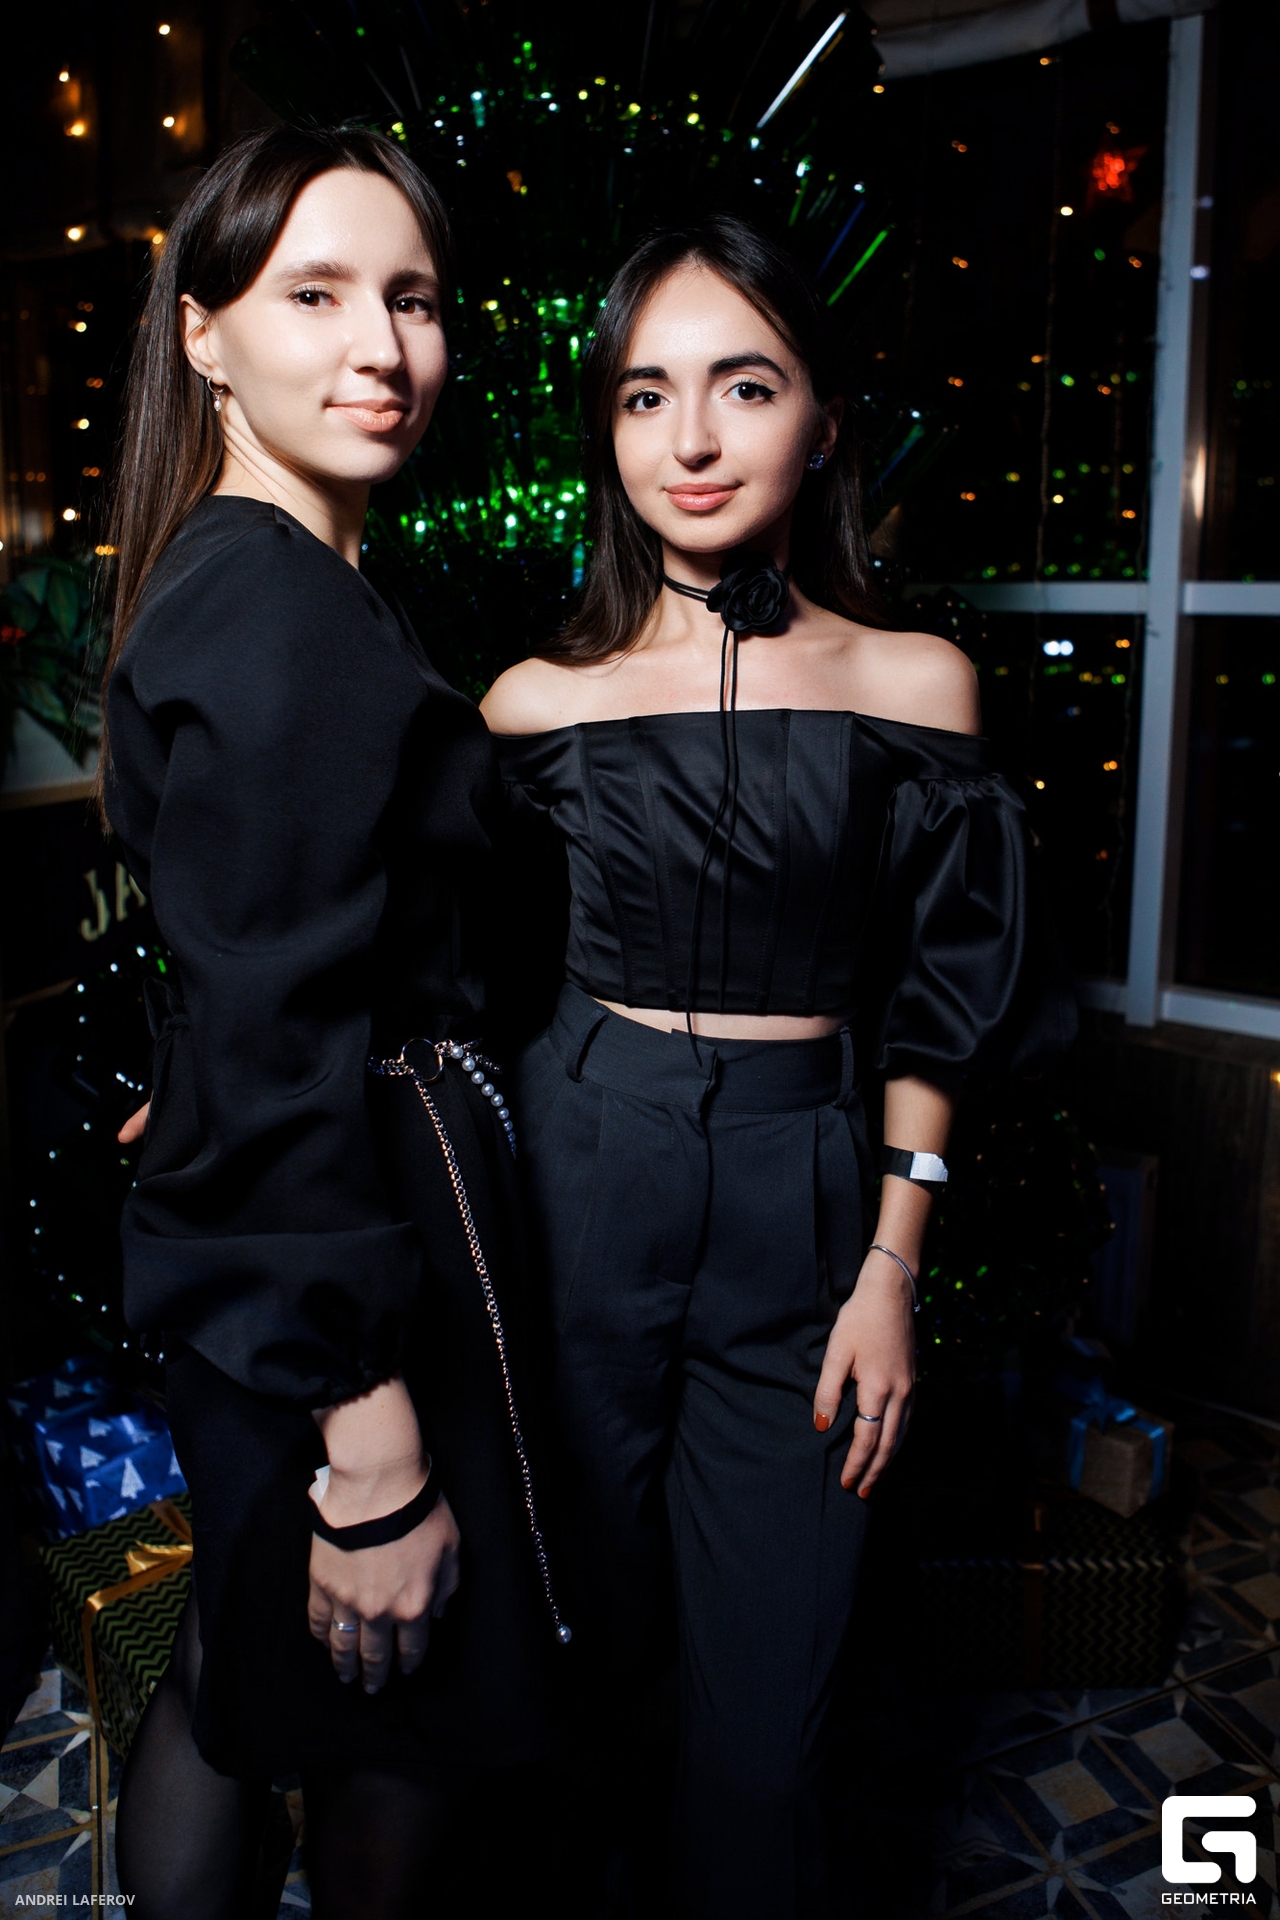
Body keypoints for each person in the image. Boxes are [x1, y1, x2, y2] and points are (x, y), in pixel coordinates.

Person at [481, 216, 1073, 1918]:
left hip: (807, 1202)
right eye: (643, 395)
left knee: (762, 1745)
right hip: (578, 1177)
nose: (689, 438)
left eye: (743, 386)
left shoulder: (916, 684)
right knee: (573, 1691)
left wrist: (893, 1263)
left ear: (820, 421)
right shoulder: (533, 702)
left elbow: (948, 997)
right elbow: (429, 965)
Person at [100, 126, 566, 1920]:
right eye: (317, 294)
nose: (383, 346)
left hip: (311, 1220)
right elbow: (281, 996)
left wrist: (211, 1082)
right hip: (343, 1265)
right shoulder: (274, 602)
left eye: (414, 299)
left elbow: (252, 957)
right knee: (382, 1721)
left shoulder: (267, 573)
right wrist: (368, 1436)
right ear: (204, 333)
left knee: (253, 1681)